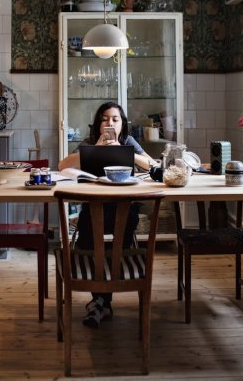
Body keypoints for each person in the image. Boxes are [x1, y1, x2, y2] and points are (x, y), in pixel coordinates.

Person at [58, 102, 158, 328]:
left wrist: (125, 153)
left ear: (122, 124)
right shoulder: (90, 142)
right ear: (97, 123)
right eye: (104, 119)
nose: (109, 123)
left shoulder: (127, 142)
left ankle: (101, 301)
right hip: (94, 209)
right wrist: (95, 149)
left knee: (117, 246)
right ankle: (101, 301)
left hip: (124, 210)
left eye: (115, 119)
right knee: (87, 240)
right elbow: (63, 165)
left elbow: (152, 164)